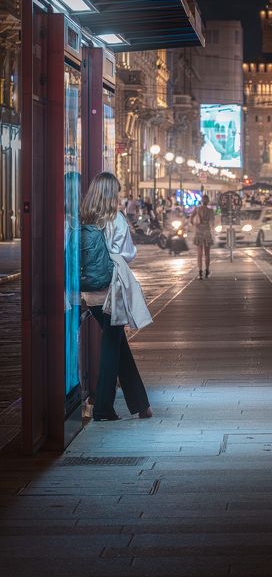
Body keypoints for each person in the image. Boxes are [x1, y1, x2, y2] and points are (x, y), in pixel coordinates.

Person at [81, 172, 152, 422]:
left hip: (91, 294)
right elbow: (128, 253)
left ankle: (141, 404)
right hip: (112, 291)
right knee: (112, 347)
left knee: (118, 344)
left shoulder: (84, 220)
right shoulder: (116, 219)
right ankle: (102, 408)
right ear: (113, 194)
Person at [191, 194, 215, 279]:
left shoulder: (197, 209)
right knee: (207, 254)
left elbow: (191, 220)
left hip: (198, 233)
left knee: (199, 254)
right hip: (207, 233)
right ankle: (207, 271)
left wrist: (196, 224)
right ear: (208, 201)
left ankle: (200, 272)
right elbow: (212, 223)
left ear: (201, 201)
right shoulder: (210, 211)